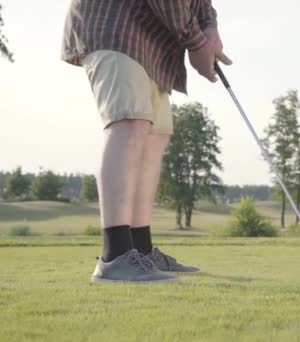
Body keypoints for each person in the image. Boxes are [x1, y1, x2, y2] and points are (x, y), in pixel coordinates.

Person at [61, 0, 231, 283]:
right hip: (115, 23)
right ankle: (115, 255)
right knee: (129, 122)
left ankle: (140, 250)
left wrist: (209, 26)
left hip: (151, 42)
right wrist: (197, 43)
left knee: (155, 136)